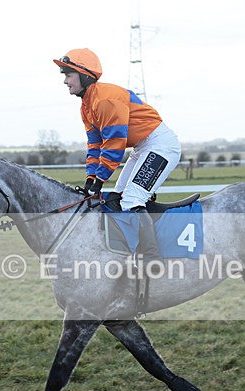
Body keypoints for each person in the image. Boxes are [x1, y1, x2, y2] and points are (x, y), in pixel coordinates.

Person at [53, 48, 181, 262]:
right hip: (142, 148)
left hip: (160, 145)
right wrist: (91, 178)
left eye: (68, 75)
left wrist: (101, 179)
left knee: (131, 200)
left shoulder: (105, 100)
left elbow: (114, 144)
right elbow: (95, 145)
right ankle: (124, 251)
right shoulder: (87, 106)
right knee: (114, 200)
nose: (65, 81)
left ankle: (152, 258)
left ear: (84, 75)